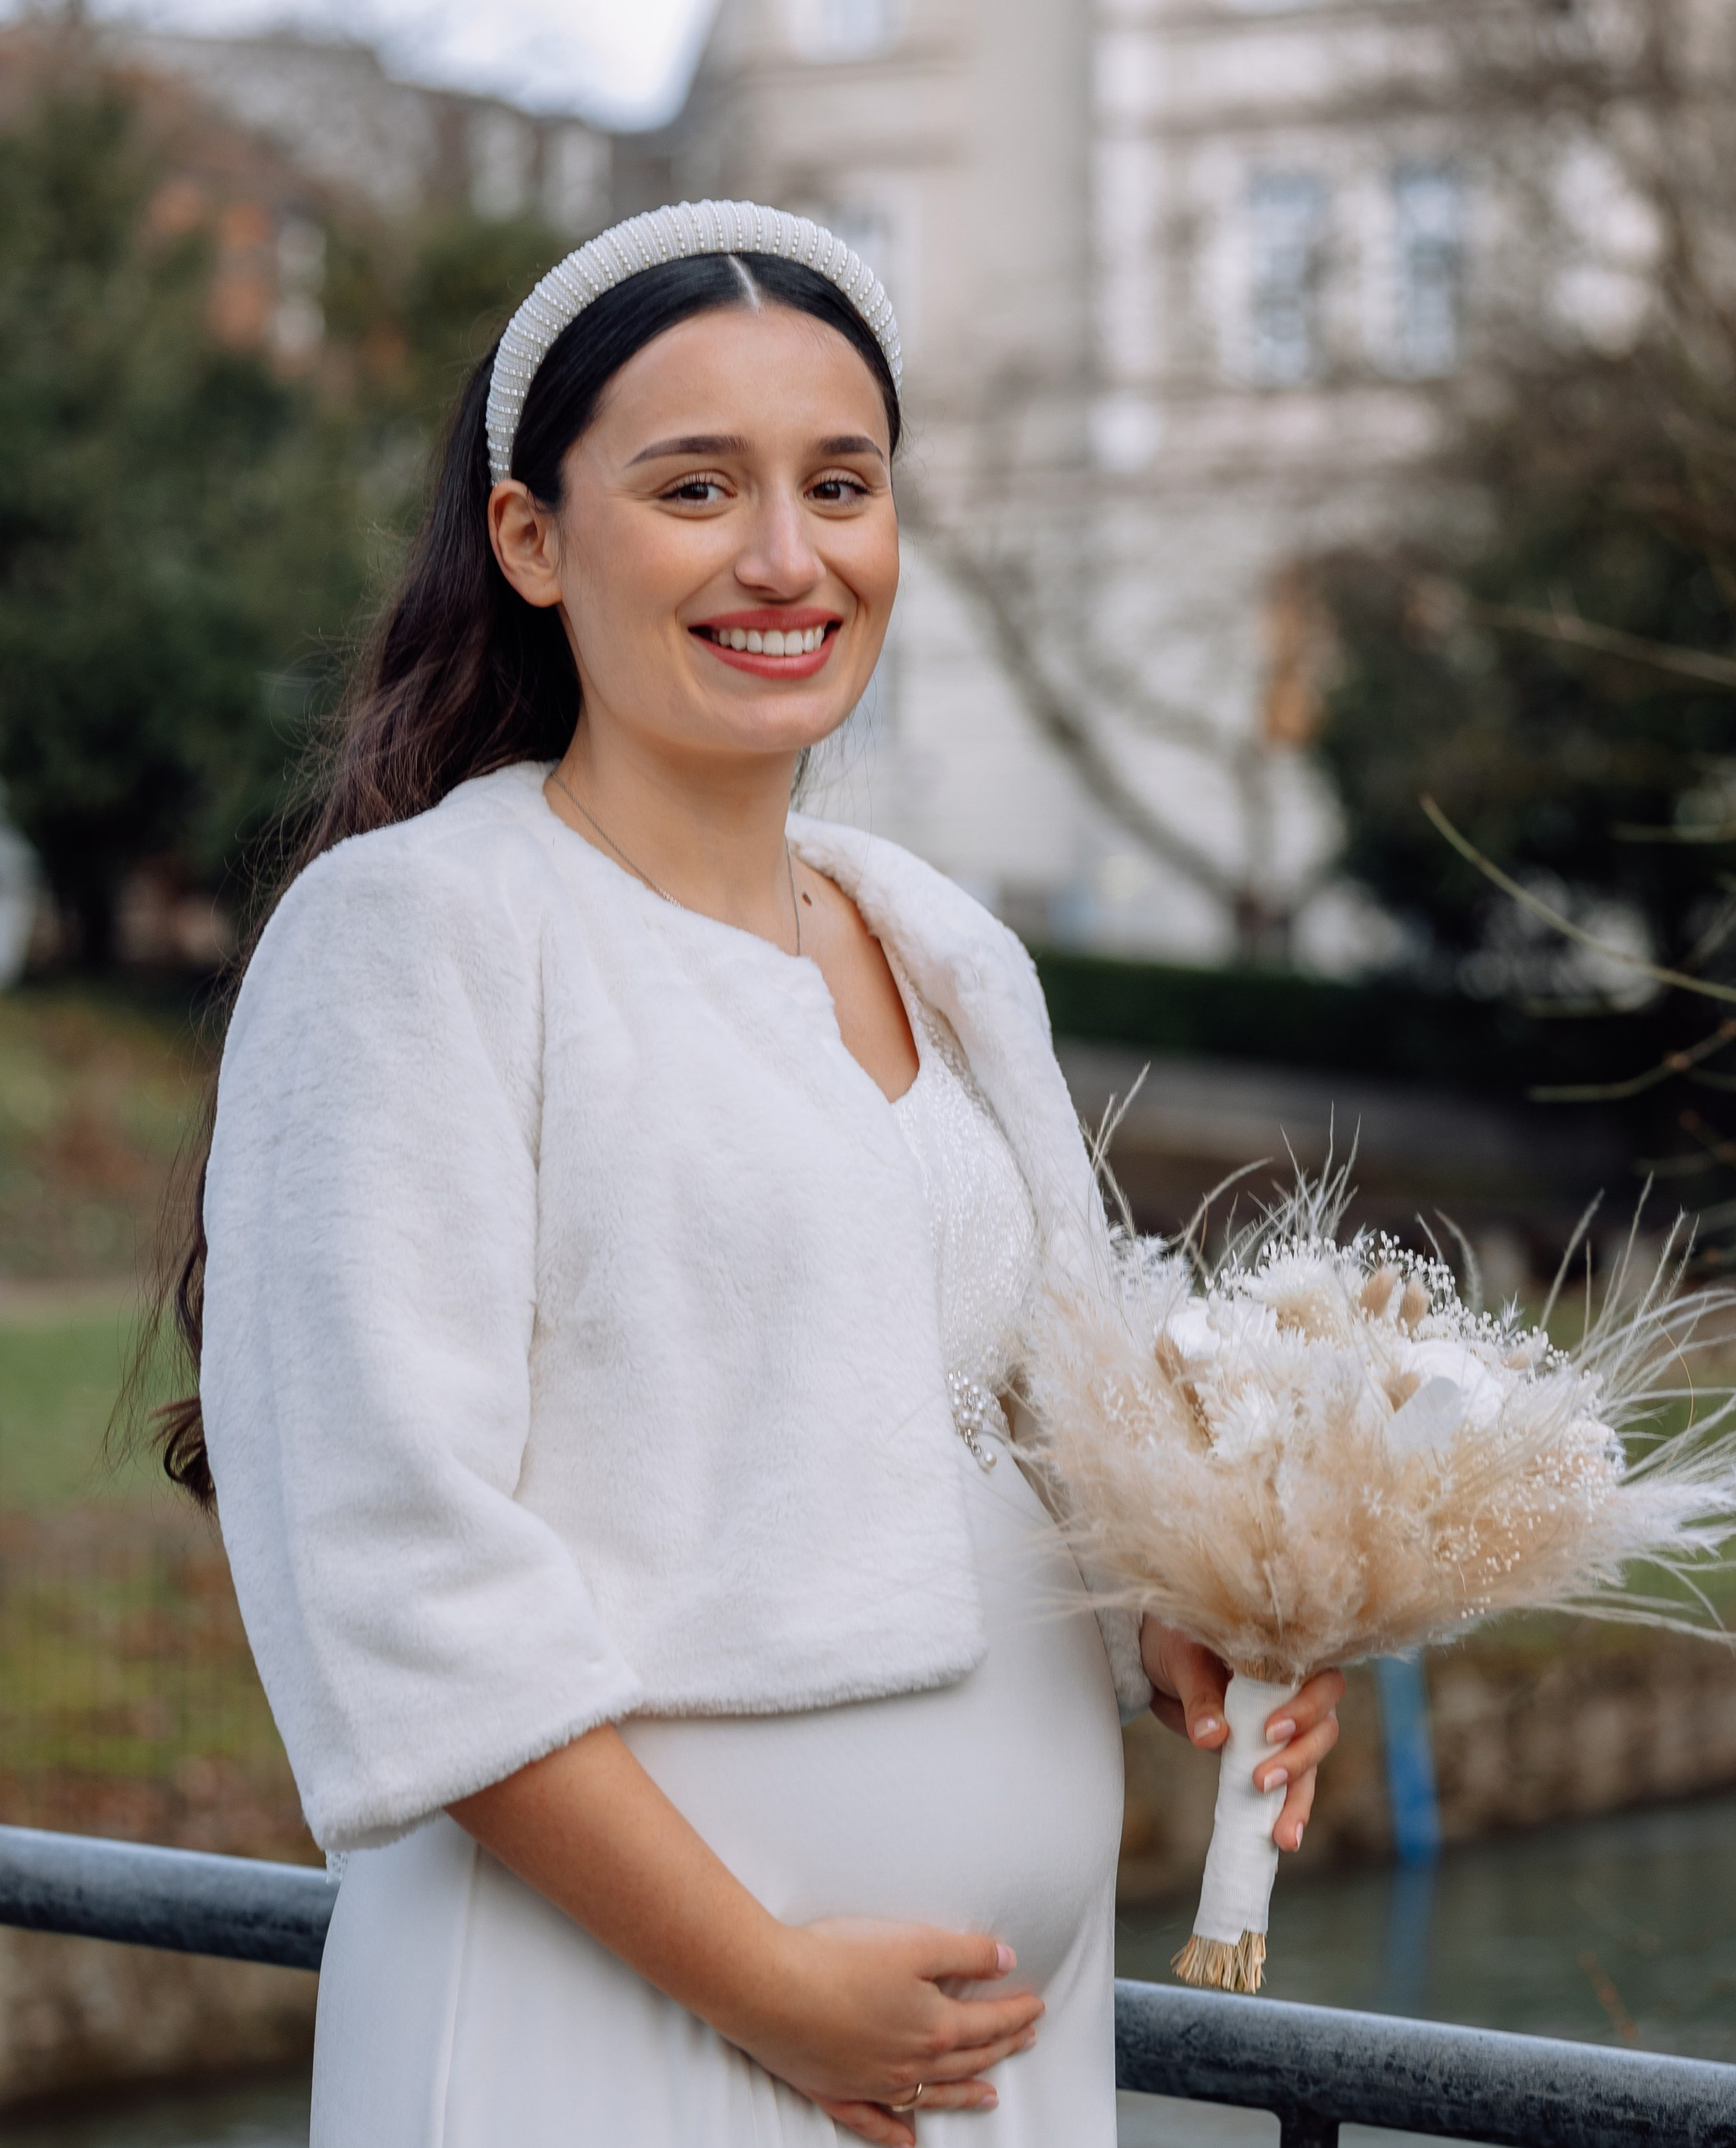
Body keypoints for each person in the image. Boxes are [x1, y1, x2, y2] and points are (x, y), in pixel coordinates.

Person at [161, 203, 1343, 2146]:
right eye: (695, 486)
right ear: (531, 538)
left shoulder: (942, 945)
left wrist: (1176, 1616)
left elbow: (1014, 1420)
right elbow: (391, 1556)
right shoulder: (421, 933)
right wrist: (761, 1981)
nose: (786, 557)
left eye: (841, 484)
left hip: (991, 2056)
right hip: (617, 2025)